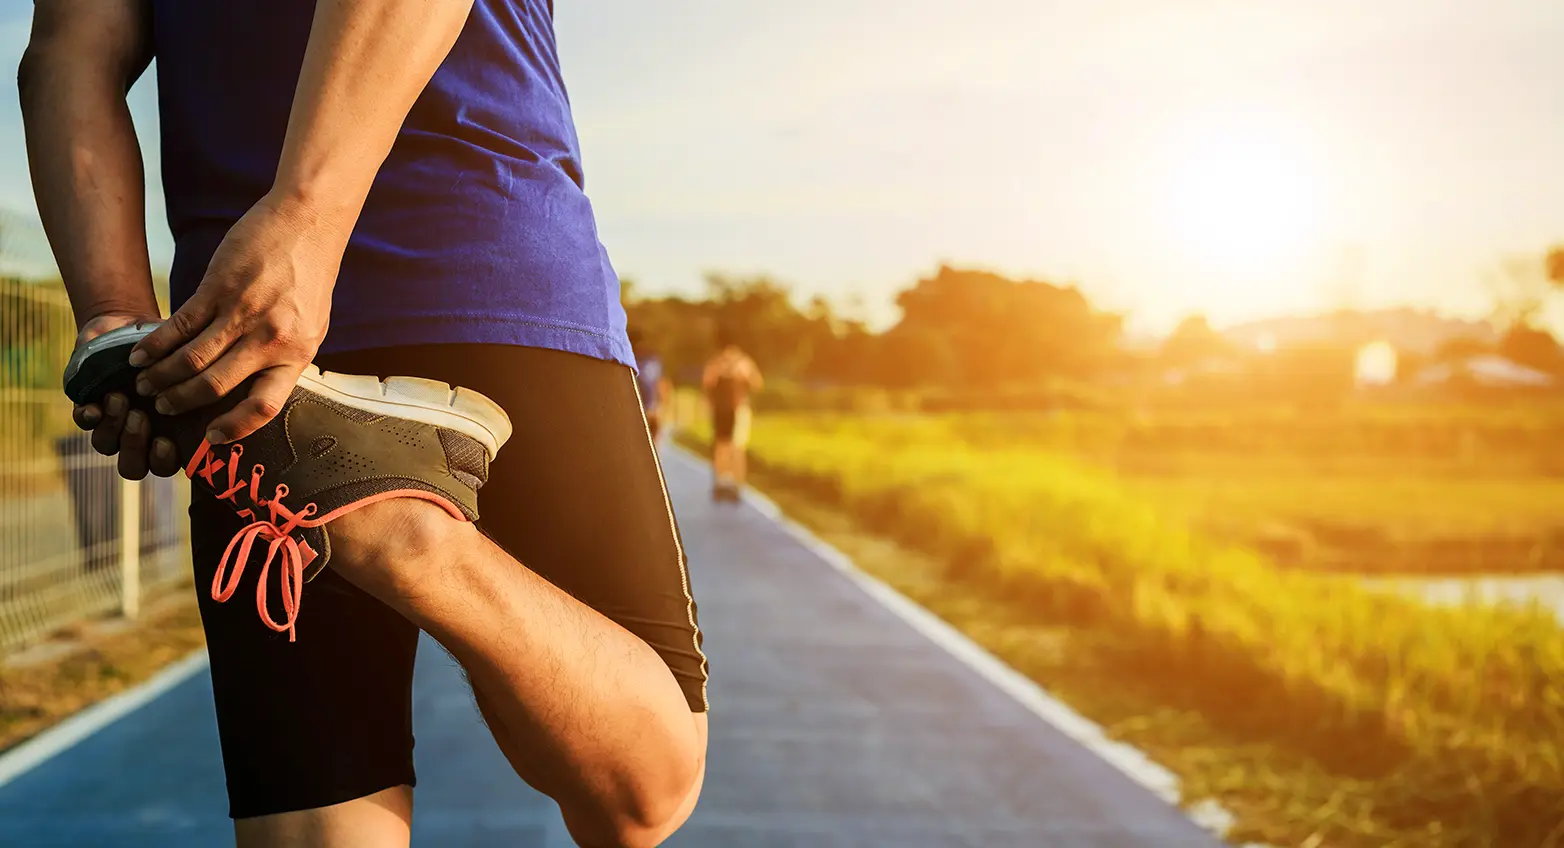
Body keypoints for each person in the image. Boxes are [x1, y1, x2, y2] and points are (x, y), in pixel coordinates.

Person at [20, 3, 707, 846]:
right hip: (487, 264)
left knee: (317, 821)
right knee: (645, 793)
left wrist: (117, 321)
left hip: (239, 339)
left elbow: (65, 53)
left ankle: (345, 507)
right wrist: (308, 218)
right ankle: (404, 540)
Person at [700, 329, 763, 502]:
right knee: (722, 446)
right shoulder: (716, 363)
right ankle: (721, 483)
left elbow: (757, 383)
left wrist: (743, 375)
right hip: (721, 409)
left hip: (738, 409)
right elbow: (707, 384)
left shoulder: (743, 362)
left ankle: (736, 485)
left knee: (736, 447)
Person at [628, 327, 671, 444]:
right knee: (653, 446)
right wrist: (662, 407)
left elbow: (661, 384)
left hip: (638, 410)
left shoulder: (628, 360)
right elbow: (662, 385)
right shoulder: (654, 359)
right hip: (651, 410)